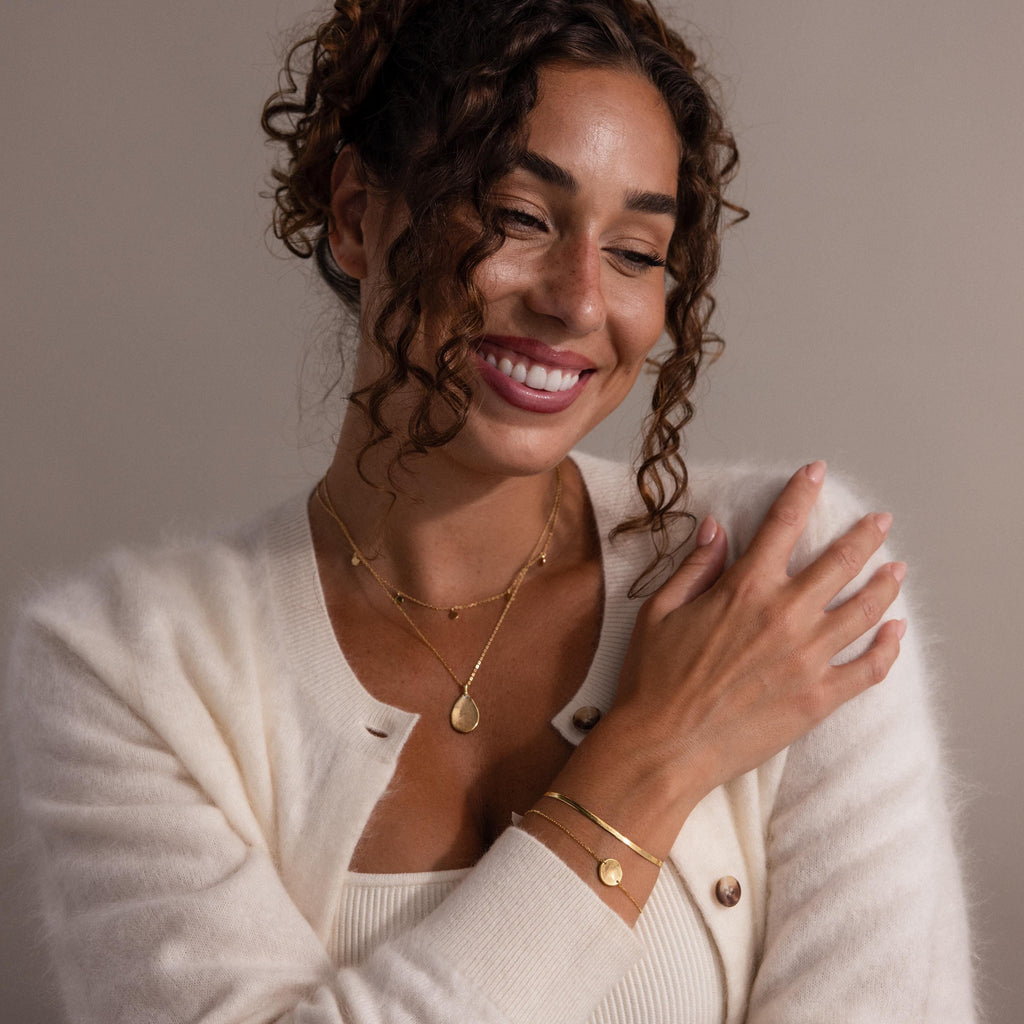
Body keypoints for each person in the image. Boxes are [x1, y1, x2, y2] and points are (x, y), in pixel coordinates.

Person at [6, 1, 973, 1021]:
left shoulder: (780, 576)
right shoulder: (123, 668)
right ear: (351, 215)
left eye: (638, 251)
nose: (578, 301)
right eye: (516, 215)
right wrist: (660, 752)